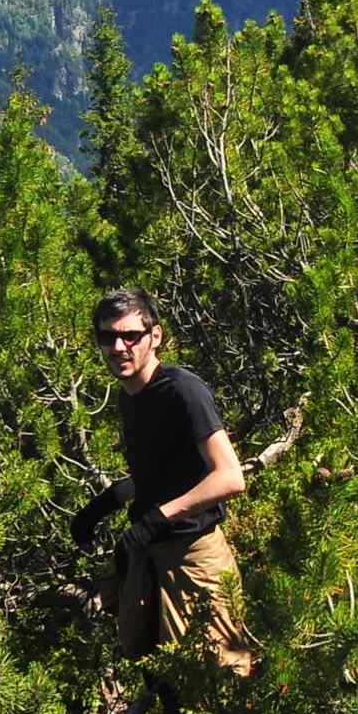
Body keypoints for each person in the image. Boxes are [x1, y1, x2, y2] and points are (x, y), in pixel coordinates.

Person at [72, 289, 257, 680]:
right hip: (150, 554)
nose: (118, 347)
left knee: (218, 680)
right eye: (108, 338)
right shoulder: (130, 395)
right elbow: (160, 472)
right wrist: (104, 505)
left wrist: (159, 517)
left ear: (154, 336)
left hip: (194, 556)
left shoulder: (181, 390)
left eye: (130, 336)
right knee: (158, 674)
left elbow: (229, 475)